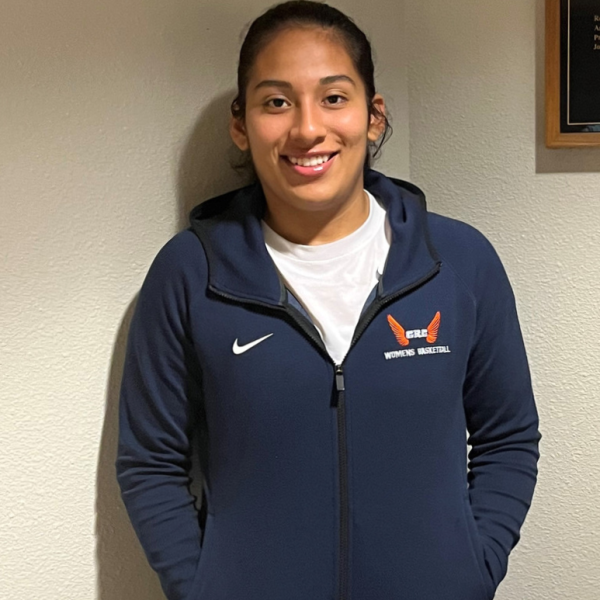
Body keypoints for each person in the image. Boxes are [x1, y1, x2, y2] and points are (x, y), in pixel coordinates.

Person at [115, 2, 541, 599]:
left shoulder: (460, 262)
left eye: (334, 97)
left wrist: (472, 570)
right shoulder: (189, 274)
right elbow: (151, 464)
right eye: (276, 101)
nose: (307, 128)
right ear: (242, 125)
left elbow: (508, 437)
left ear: (373, 115)